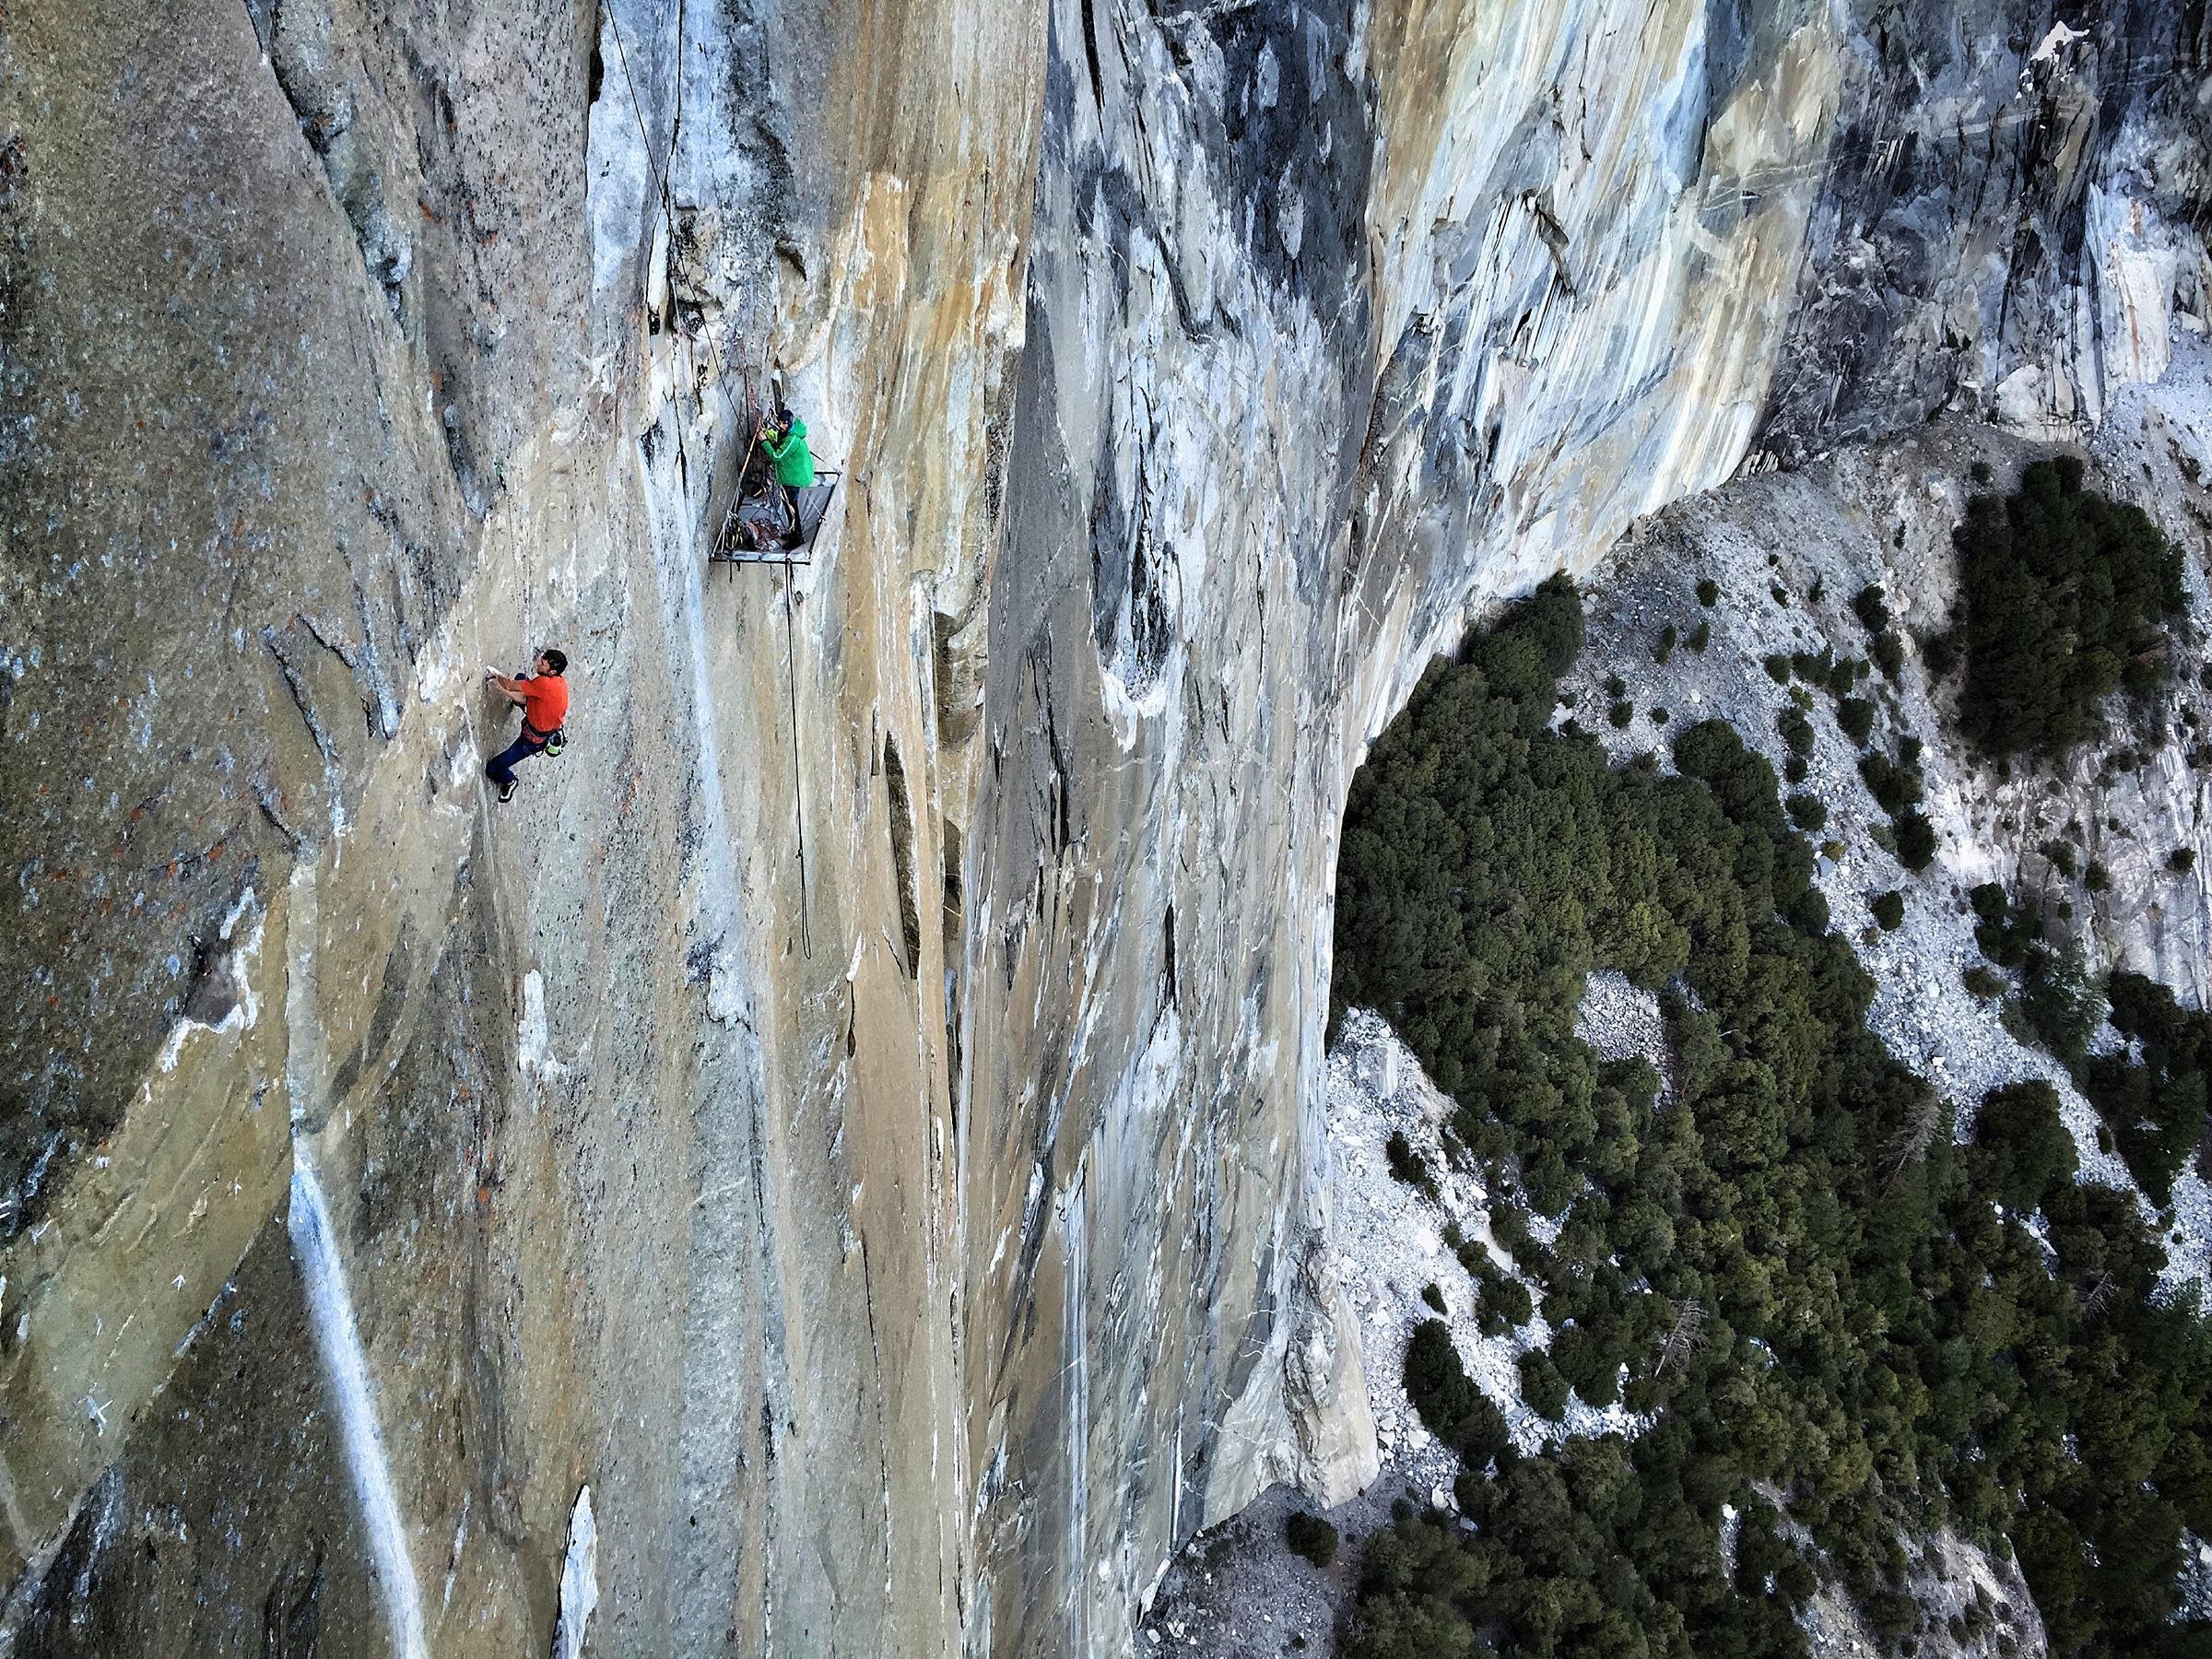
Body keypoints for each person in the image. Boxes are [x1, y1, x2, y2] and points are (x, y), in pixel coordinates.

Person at [483, 648, 569, 803]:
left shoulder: (544, 684)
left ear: (552, 671)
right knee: (521, 679)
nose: (538, 663)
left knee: (493, 769)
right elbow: (527, 695)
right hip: (540, 722)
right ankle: (520, 702)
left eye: (542, 663)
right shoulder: (559, 682)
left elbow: (509, 685)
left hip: (532, 741)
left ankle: (509, 781)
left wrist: (497, 679)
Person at [758, 410, 816, 531]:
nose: (780, 426)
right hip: (794, 472)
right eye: (779, 423)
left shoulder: (792, 440)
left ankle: (796, 537)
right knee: (789, 506)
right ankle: (793, 533)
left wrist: (764, 442)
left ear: (787, 424)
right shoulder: (788, 434)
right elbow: (780, 445)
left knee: (792, 508)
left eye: (782, 424)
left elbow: (777, 457)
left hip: (795, 478)